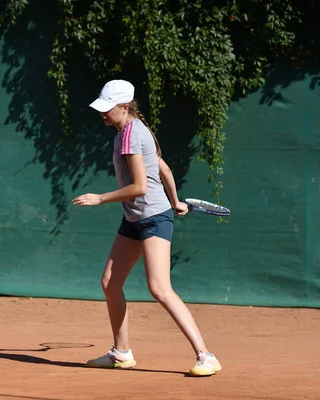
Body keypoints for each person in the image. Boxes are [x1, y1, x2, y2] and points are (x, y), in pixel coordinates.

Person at [72, 79, 222, 377]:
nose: (102, 113)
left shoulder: (129, 135)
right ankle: (121, 353)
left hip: (152, 217)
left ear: (124, 107)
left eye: (108, 109)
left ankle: (206, 356)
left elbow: (140, 186)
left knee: (159, 288)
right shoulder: (135, 129)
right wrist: (176, 199)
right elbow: (162, 167)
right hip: (135, 218)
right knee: (110, 283)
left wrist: (100, 198)